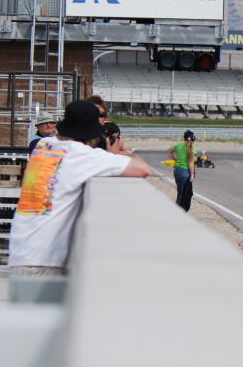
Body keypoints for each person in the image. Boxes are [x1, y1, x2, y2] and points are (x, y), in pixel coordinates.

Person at [8, 100, 150, 276]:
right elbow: (142, 169)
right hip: (45, 256)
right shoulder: (82, 155)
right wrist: (115, 151)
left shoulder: (43, 146)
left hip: (21, 250)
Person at [166, 130, 196, 209]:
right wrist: (192, 174)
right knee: (185, 194)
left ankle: (178, 209)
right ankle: (179, 210)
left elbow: (168, 151)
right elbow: (191, 162)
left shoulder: (178, 145)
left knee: (180, 192)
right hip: (185, 171)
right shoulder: (192, 148)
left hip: (177, 170)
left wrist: (175, 159)